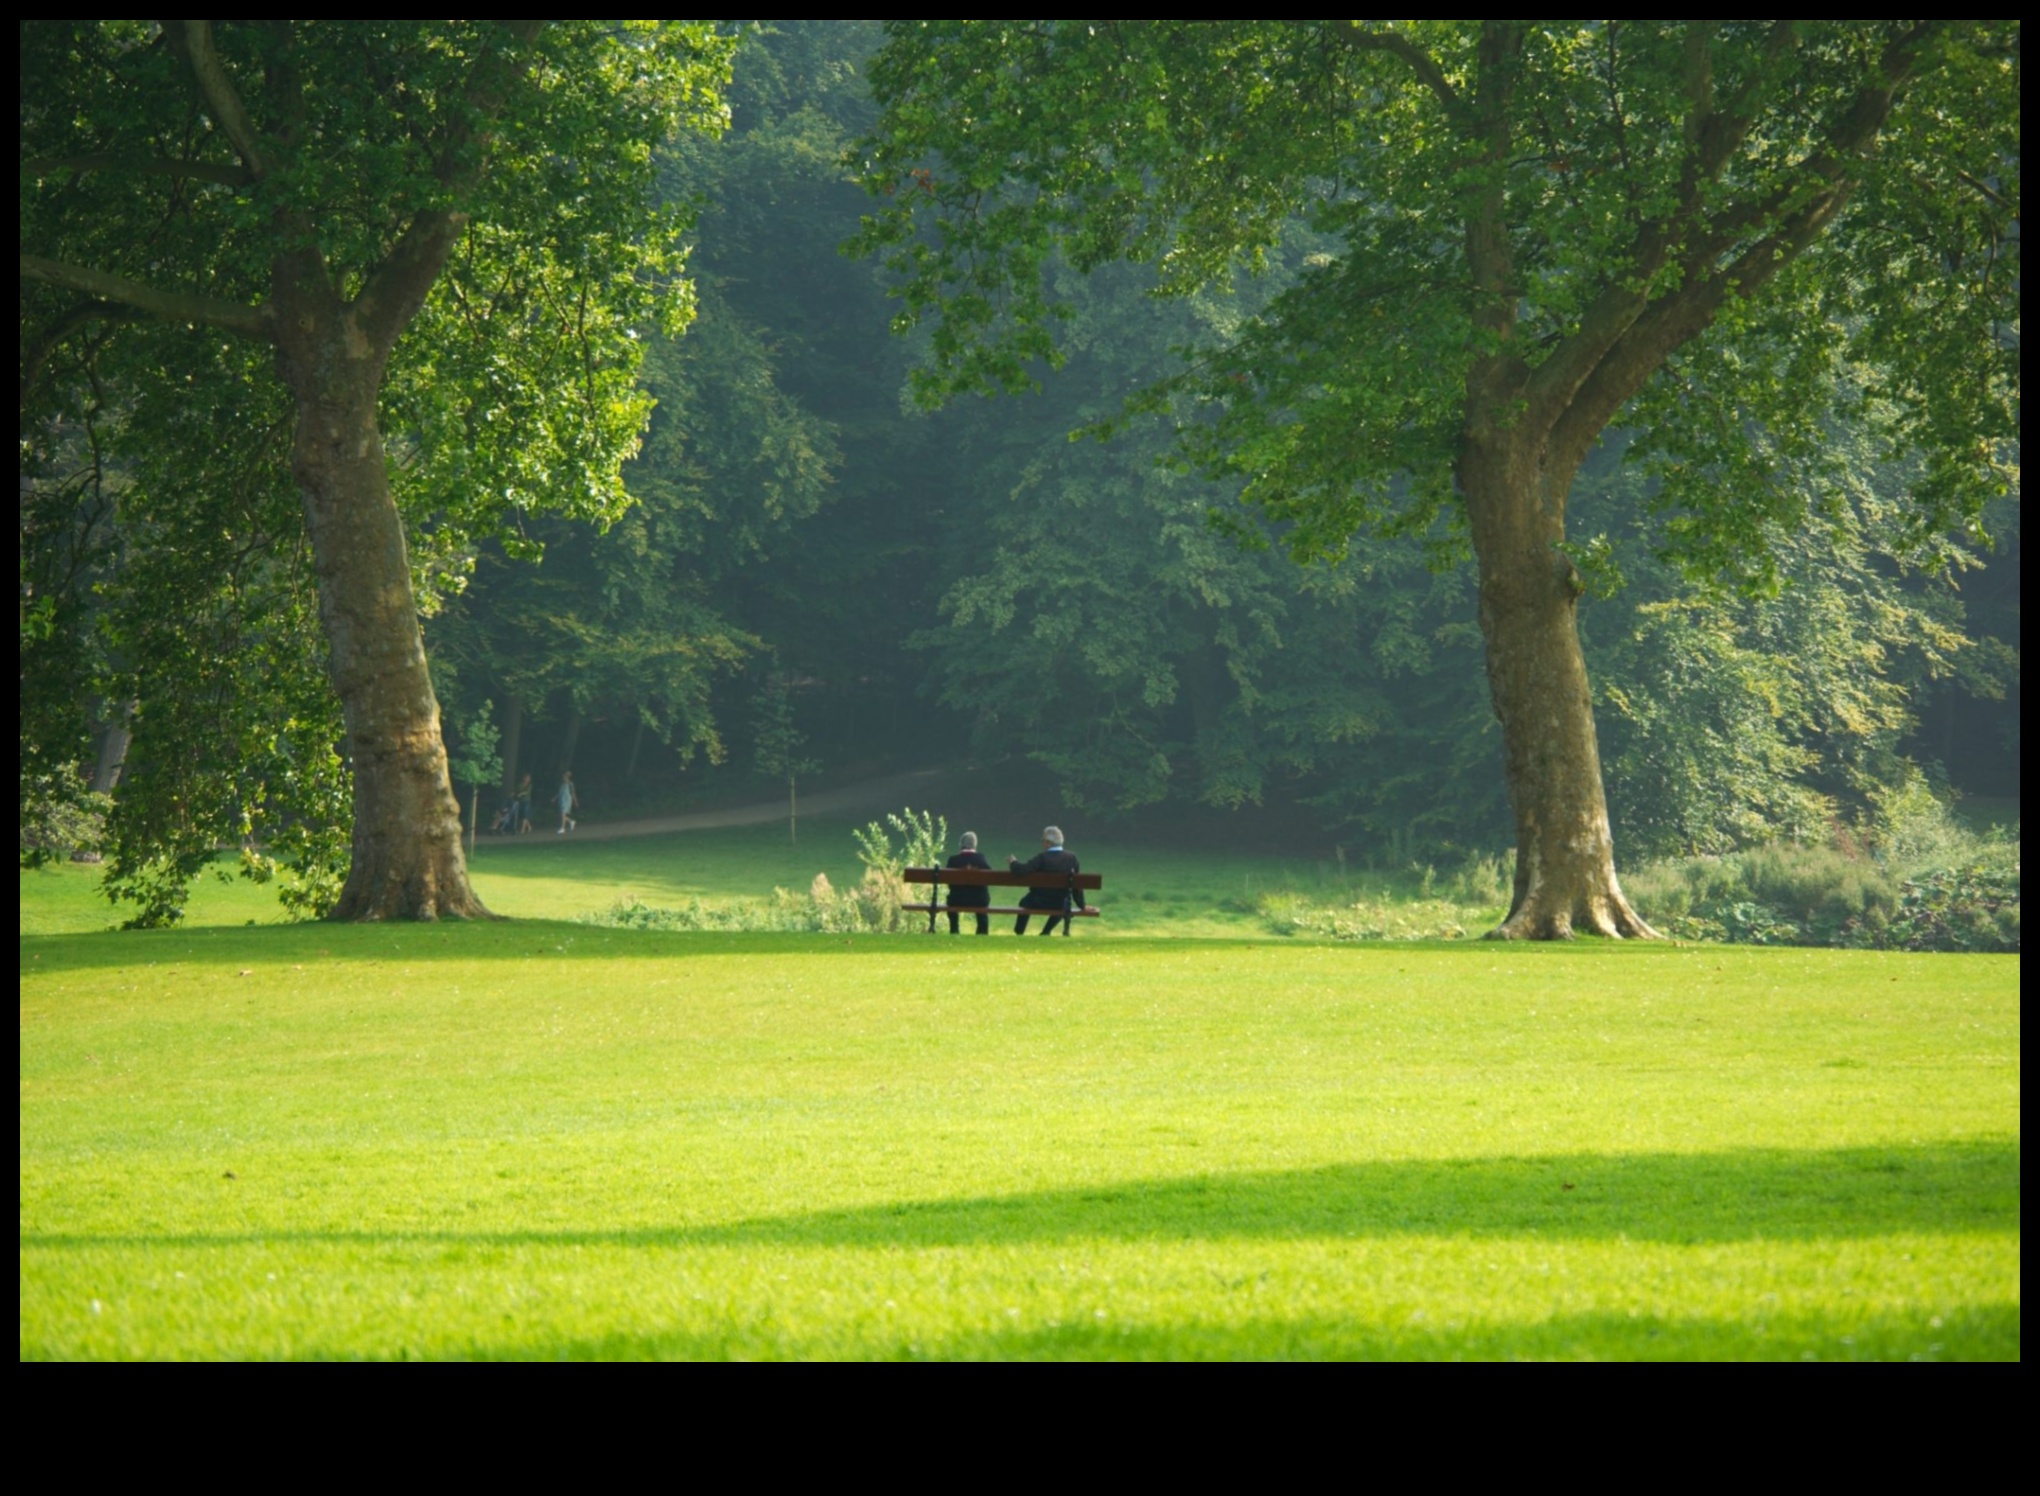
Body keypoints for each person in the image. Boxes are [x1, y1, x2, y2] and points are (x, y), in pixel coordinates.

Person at [1009, 825, 1083, 935]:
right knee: (1065, 904)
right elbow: (1076, 884)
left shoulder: (1043, 857)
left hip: (1038, 901)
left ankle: (1019, 931)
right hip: (1059, 902)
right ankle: (1046, 931)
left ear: (1049, 843)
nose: (1042, 843)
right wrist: (1082, 905)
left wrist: (1013, 862)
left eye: (1043, 841)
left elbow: (1022, 870)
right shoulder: (1072, 858)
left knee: (1024, 902)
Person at [944, 831, 992, 935]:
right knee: (983, 897)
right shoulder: (980, 859)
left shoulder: (953, 860)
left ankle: (954, 929)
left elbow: (948, 881)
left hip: (957, 899)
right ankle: (982, 932)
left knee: (950, 900)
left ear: (961, 845)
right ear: (975, 845)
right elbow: (989, 877)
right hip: (979, 901)